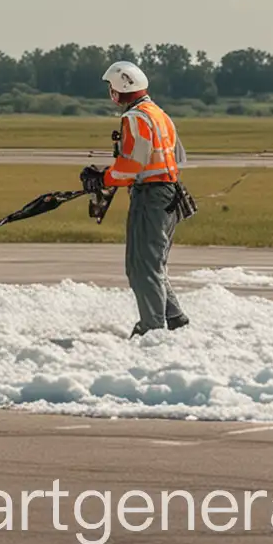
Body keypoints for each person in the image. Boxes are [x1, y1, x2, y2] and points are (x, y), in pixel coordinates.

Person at [82, 60, 193, 337]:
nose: (110, 93)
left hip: (152, 197)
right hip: (170, 193)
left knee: (142, 267)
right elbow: (178, 157)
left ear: (120, 87)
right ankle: (175, 319)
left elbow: (131, 167)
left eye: (111, 87)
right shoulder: (159, 114)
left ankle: (152, 331)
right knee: (151, 264)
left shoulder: (134, 118)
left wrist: (103, 178)